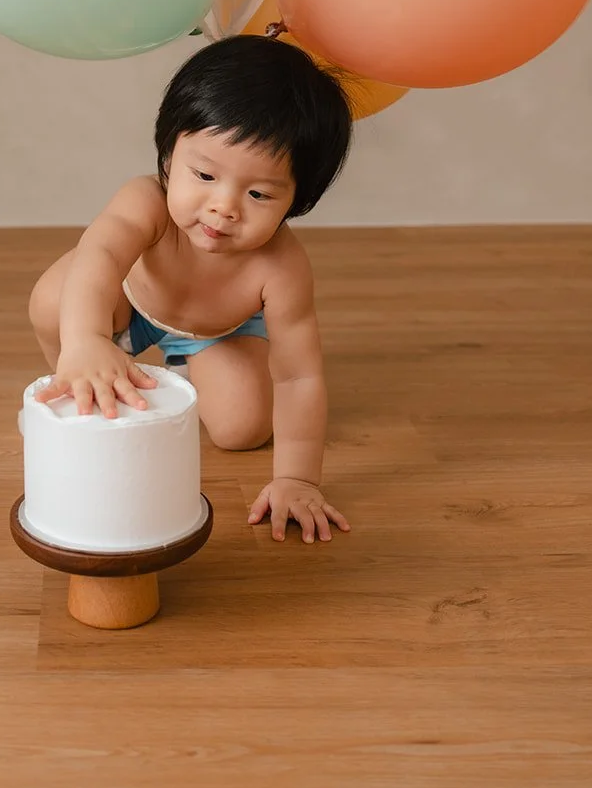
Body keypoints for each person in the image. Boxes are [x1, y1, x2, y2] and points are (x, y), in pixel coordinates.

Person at [28, 34, 353, 544]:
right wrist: (86, 338)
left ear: (297, 200)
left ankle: (183, 363)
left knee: (242, 429)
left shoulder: (281, 266)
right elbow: (102, 255)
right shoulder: (147, 201)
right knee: (57, 297)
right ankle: (76, 380)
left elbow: (298, 378)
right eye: (203, 174)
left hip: (216, 331)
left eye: (259, 193)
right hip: (128, 302)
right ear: (167, 157)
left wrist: (297, 478)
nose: (223, 207)